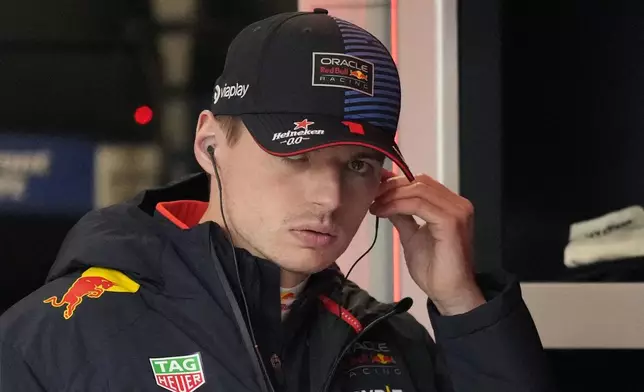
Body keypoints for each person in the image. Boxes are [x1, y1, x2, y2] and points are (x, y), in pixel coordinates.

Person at [0, 9, 554, 392]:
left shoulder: (390, 343)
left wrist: (465, 308)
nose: (330, 197)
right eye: (296, 157)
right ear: (209, 142)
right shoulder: (62, 332)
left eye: (358, 165)